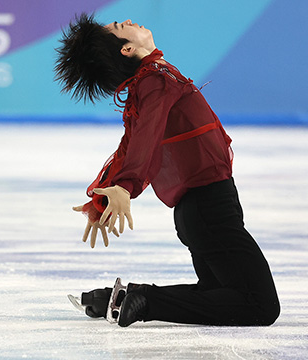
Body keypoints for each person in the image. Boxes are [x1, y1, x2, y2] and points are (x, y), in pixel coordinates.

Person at [54, 14, 280, 327]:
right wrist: (124, 186)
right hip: (208, 207)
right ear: (127, 49)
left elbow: (130, 145)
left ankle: (116, 299)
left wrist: (107, 193)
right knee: (260, 306)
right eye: (121, 26)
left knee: (220, 294)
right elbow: (144, 137)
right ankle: (143, 301)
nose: (130, 20)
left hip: (201, 209)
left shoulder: (150, 79)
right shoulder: (152, 80)